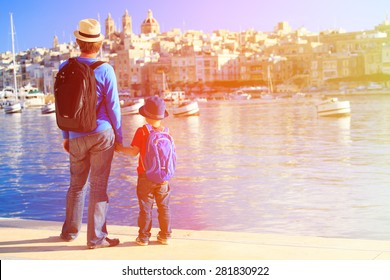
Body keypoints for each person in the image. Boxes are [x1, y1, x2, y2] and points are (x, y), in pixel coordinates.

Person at [59, 18, 123, 249]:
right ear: (99, 44)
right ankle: (96, 238)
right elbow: (113, 107)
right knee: (98, 187)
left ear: (78, 42)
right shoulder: (105, 69)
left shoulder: (64, 68)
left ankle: (69, 232)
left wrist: (66, 136)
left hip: (75, 134)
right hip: (101, 134)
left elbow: (63, 104)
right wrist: (120, 137)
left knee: (76, 185)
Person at [116, 96, 172, 246]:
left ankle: (144, 237)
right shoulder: (167, 132)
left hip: (146, 176)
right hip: (164, 178)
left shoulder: (142, 131)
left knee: (146, 208)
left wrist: (119, 148)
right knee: (164, 207)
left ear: (146, 115)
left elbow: (134, 152)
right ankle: (165, 235)